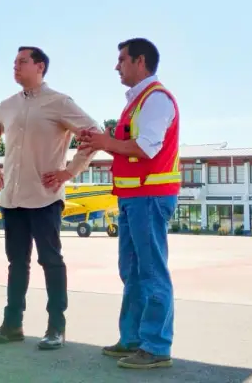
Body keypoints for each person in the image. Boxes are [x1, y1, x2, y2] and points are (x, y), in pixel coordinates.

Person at [0, 46, 101, 351]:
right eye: (14, 63)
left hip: (45, 197)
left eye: (22, 62)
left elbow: (94, 134)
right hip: (12, 199)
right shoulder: (7, 105)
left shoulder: (59, 102)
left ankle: (56, 327)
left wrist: (69, 172)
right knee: (16, 263)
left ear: (40, 67)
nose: (15, 67)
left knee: (50, 260)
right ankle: (12, 325)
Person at [76, 37, 179, 369]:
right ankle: (134, 339)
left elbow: (147, 148)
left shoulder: (156, 99)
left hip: (149, 197)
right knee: (132, 271)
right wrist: (106, 142)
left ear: (140, 61)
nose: (116, 66)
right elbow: (131, 146)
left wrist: (109, 142)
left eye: (121, 59)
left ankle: (156, 346)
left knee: (150, 272)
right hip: (134, 197)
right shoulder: (137, 102)